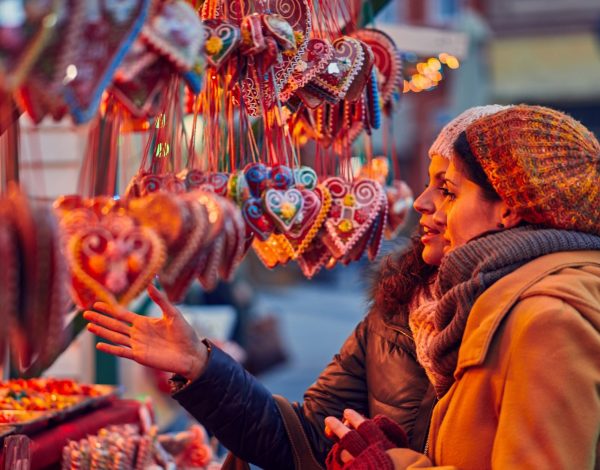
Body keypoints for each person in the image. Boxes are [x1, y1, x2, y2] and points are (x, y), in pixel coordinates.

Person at [83, 105, 509, 469]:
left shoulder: (539, 319)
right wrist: (201, 366)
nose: (423, 202)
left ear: (508, 208)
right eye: (431, 183)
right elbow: (304, 439)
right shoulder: (399, 313)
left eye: (448, 189)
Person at [325, 104, 600, 469]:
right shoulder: (494, 301)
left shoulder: (548, 320)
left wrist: (397, 465)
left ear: (508, 209)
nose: (431, 207)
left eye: (450, 192)